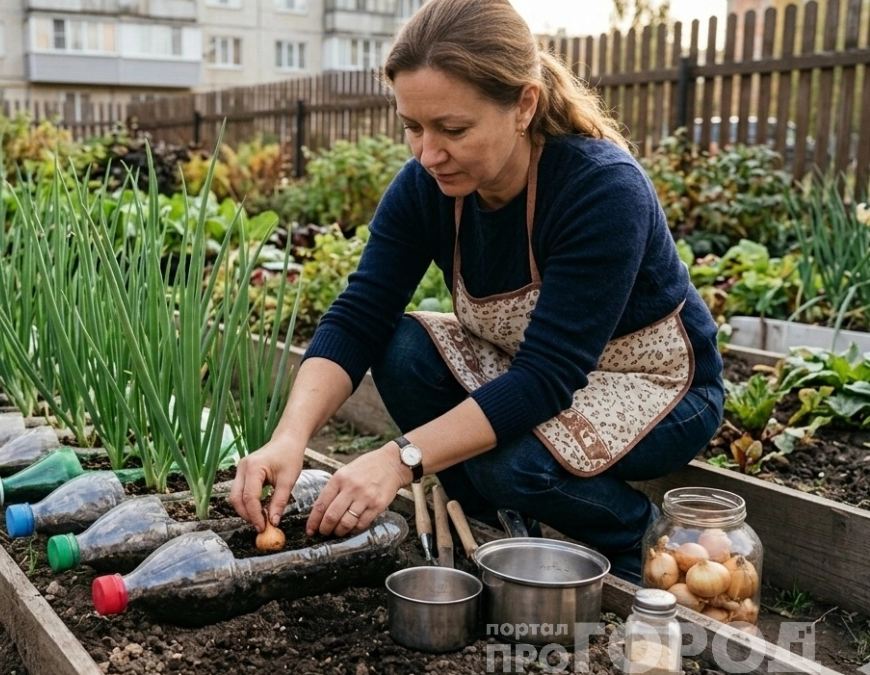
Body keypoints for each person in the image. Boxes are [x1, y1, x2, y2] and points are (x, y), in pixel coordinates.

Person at [230, 0, 724, 583]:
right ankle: (492, 525)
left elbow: (546, 378)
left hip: (658, 387)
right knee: (402, 347)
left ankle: (643, 542)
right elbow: (360, 314)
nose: (427, 153)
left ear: (524, 105)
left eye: (453, 129)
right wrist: (289, 437)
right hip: (536, 375)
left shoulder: (600, 189)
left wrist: (400, 459)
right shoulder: (426, 186)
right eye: (413, 126)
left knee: (513, 464)